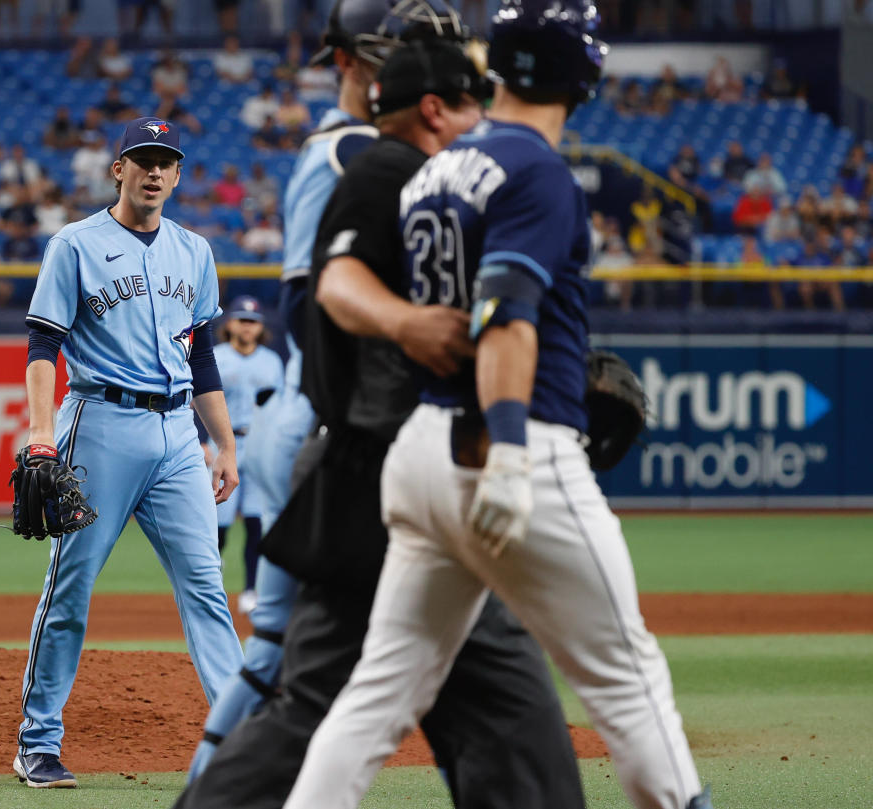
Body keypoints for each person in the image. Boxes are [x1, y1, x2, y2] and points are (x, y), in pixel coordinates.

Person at [282, 4, 713, 809]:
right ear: (572, 70)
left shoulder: (439, 165)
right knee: (628, 676)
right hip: (511, 448)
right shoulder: (539, 168)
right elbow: (506, 310)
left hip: (419, 457)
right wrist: (512, 450)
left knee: (377, 694)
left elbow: (369, 288)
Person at [174, 4, 585, 809]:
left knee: (321, 685)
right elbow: (323, 310)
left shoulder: (361, 153)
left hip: (355, 448)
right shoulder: (371, 156)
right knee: (447, 702)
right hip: (370, 447)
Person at [11, 116, 244, 788]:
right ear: (118, 168)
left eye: (165, 160)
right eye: (141, 158)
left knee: (206, 586)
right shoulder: (75, 244)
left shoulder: (195, 250)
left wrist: (223, 443)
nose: (153, 171)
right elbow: (42, 346)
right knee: (71, 587)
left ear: (177, 173)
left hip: (178, 436)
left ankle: (239, 738)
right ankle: (38, 741)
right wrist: (39, 432)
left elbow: (199, 355)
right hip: (100, 423)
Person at [210, 296, 284, 612]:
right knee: (218, 521)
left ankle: (252, 588)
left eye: (252, 321)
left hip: (259, 444)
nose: (247, 326)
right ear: (230, 324)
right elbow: (196, 399)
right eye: (241, 319)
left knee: (256, 520)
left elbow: (280, 407)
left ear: (260, 327)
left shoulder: (271, 361)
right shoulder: (216, 356)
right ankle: (210, 583)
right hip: (219, 444)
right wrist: (202, 441)